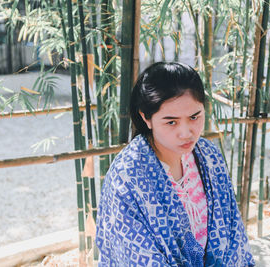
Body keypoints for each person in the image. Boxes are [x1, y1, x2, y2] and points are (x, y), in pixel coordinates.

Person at [96, 62, 255, 266]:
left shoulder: (209, 155)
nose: (186, 132)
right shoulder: (127, 177)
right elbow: (135, 256)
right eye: (171, 122)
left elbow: (233, 233)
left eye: (194, 117)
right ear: (146, 117)